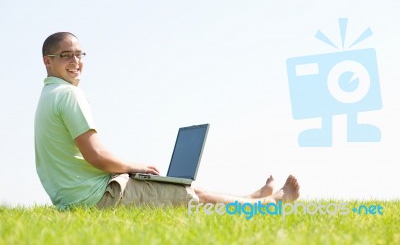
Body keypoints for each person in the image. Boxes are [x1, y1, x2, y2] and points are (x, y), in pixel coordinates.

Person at [35, 32, 300, 210]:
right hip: (94, 198)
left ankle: (249, 199)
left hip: (74, 197)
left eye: (80, 54)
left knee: (182, 186)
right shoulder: (69, 95)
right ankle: (267, 206)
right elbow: (96, 156)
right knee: (189, 196)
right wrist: (133, 166)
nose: (76, 61)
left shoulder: (48, 96)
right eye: (66, 55)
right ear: (48, 61)